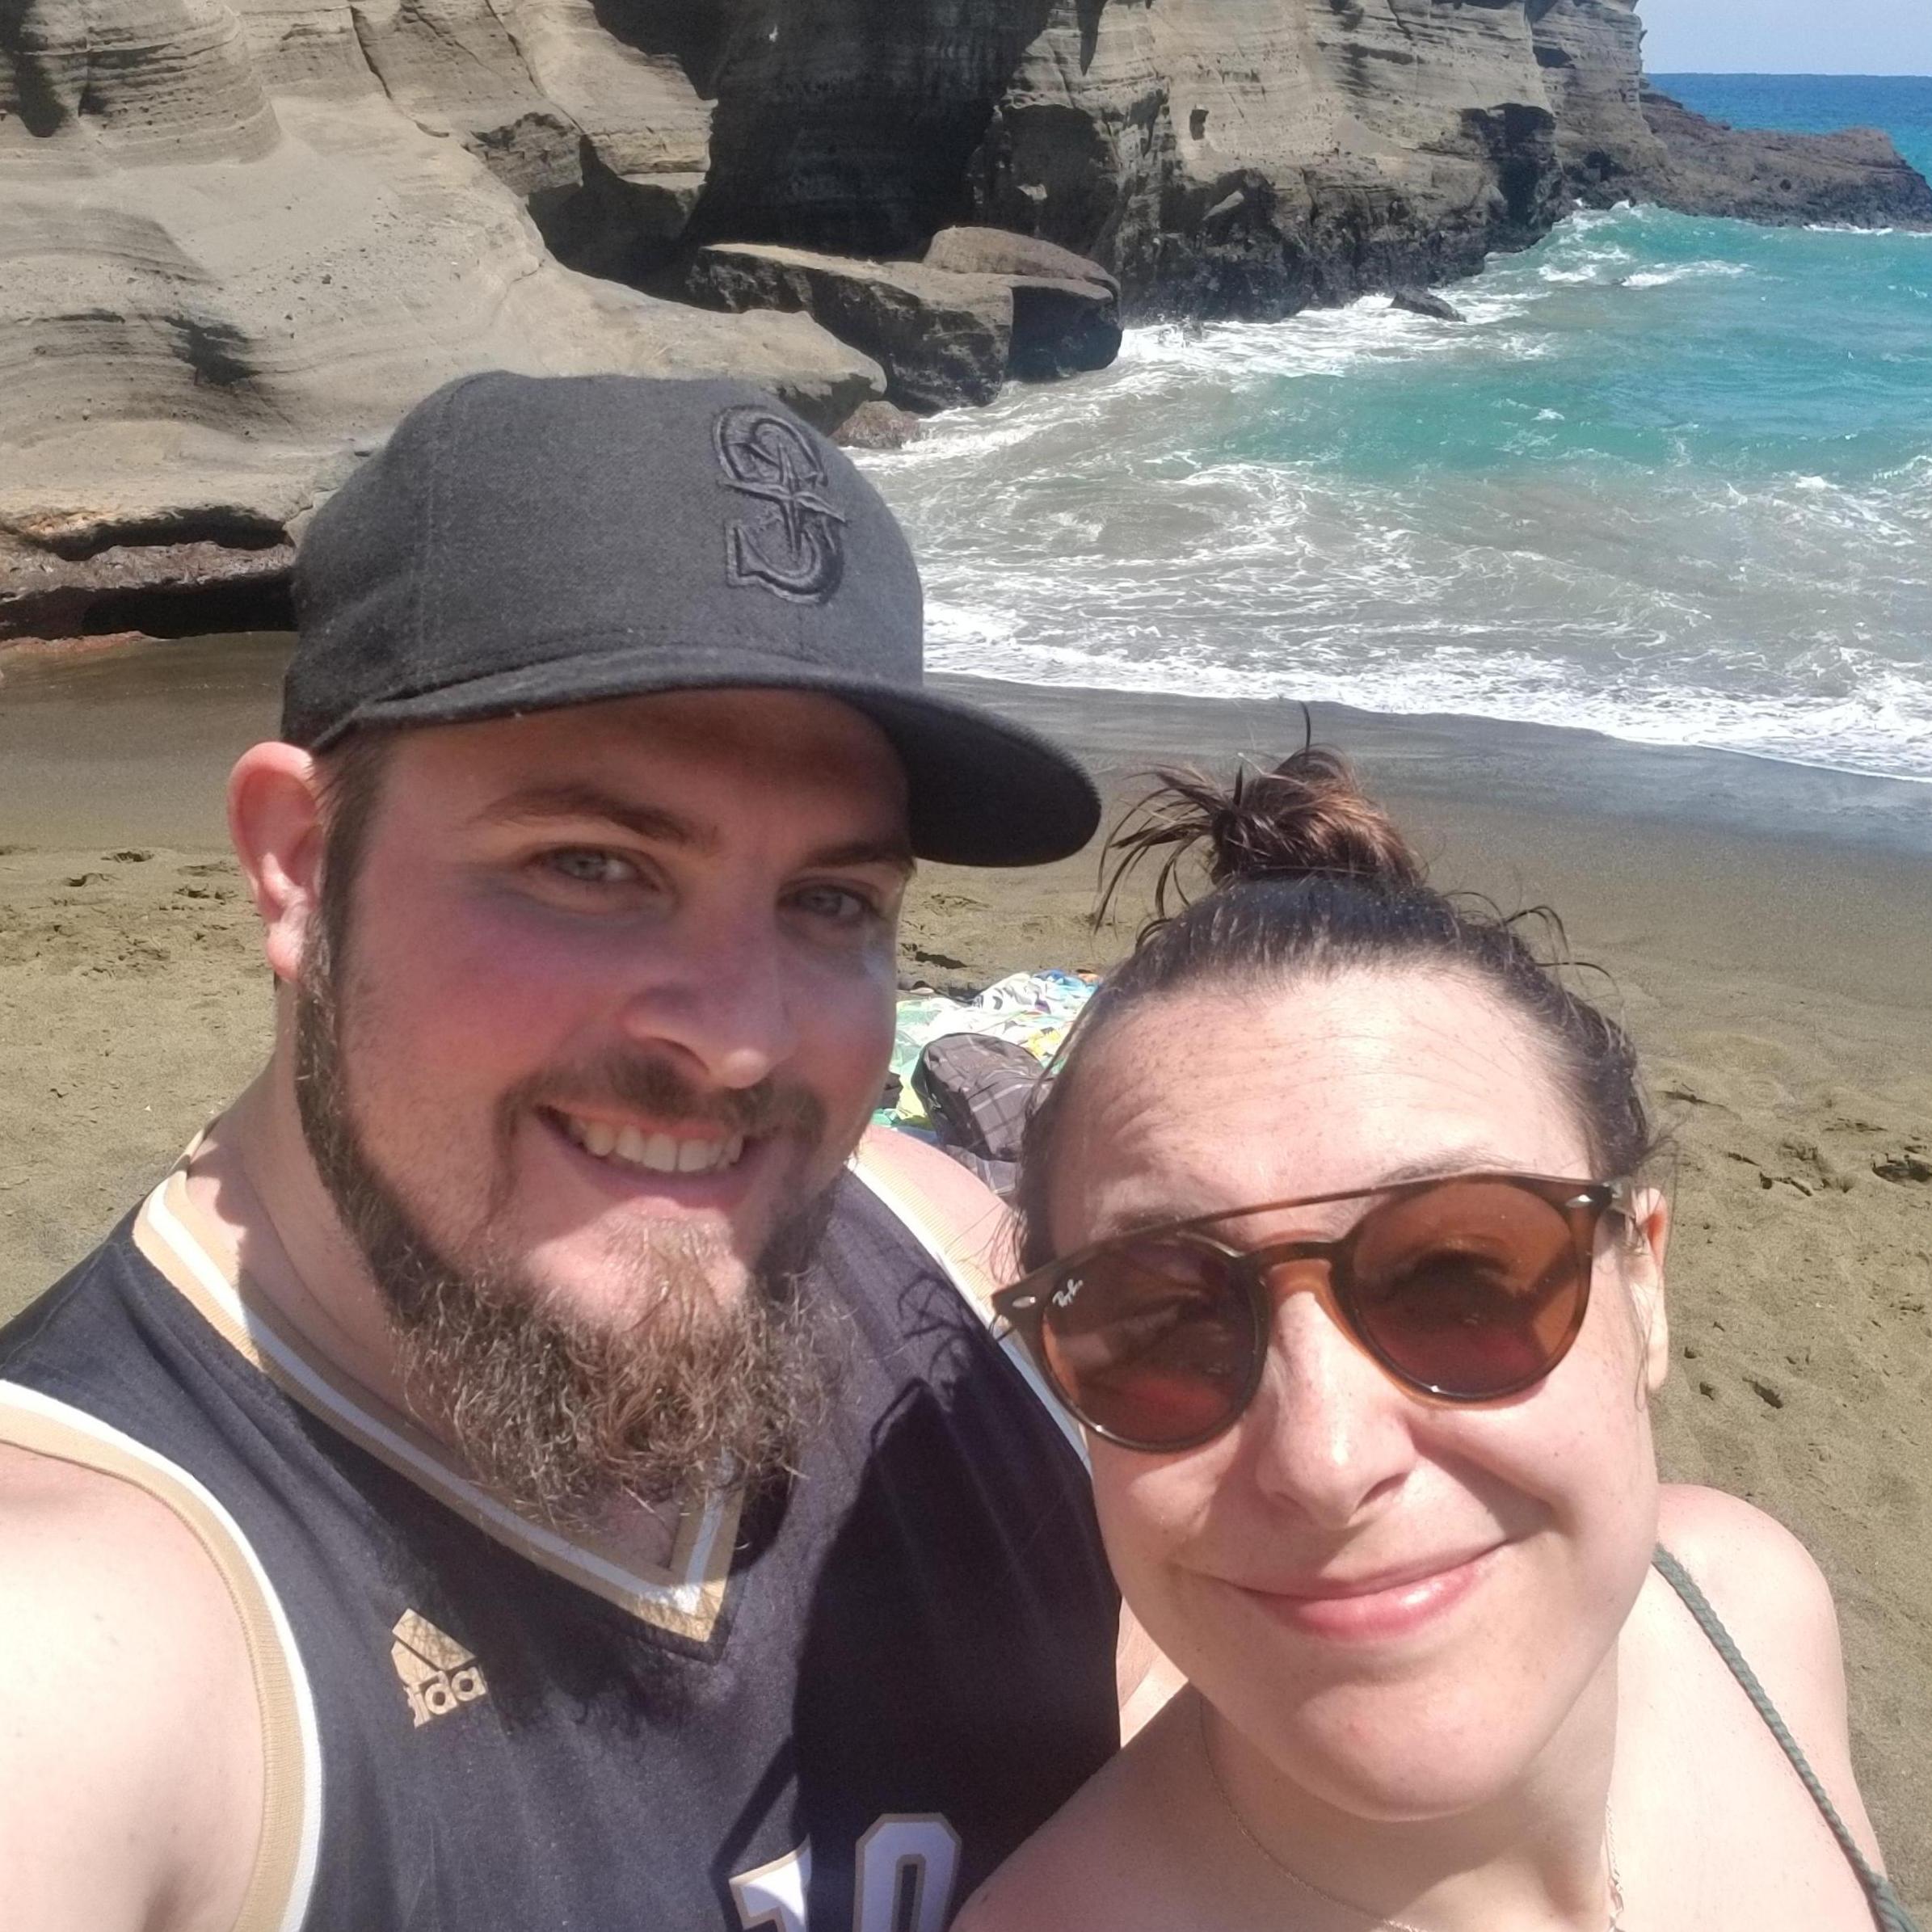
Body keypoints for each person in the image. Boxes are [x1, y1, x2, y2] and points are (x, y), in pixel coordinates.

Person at [0, 372, 1137, 1932]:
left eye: (830, 902)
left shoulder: (948, 1279)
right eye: (591, 864)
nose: (736, 1043)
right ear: (299, 867)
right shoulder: (89, 1635)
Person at [961, 752, 1919, 1932]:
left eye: (1456, 1279)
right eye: (1166, 1322)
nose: (1324, 1461)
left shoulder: (1748, 1605)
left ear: (1644, 1285)